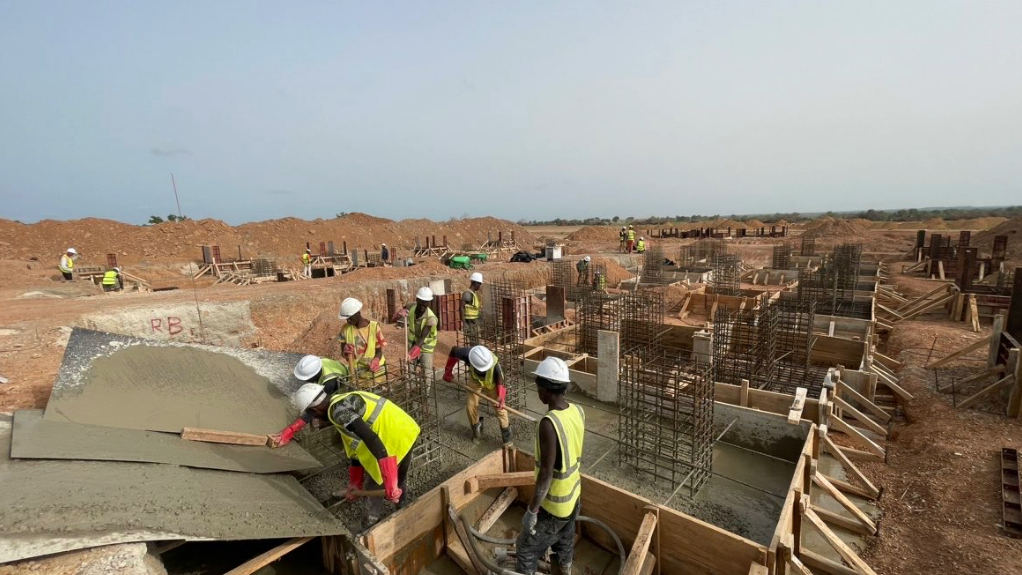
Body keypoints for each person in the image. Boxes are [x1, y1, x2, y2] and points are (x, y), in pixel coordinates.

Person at [287, 381, 420, 525]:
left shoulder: (338, 412)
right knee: (400, 479)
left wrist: (389, 481)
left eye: (314, 417)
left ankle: (371, 522)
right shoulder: (340, 401)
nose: (316, 421)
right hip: (406, 431)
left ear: (315, 411)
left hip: (389, 441)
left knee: (374, 485)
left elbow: (372, 438)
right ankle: (402, 505)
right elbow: (354, 445)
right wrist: (355, 482)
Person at [516, 357, 584, 575]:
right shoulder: (577, 410)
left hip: (555, 506)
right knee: (564, 542)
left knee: (525, 548)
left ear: (546, 389)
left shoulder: (549, 423)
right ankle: (564, 570)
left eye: (538, 385)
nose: (537, 390)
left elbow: (546, 473)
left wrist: (532, 510)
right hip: (574, 498)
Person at [270, 355, 351, 447]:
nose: (306, 381)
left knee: (326, 415)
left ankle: (332, 434)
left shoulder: (329, 383)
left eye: (307, 379)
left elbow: (315, 409)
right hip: (339, 375)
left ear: (314, 375)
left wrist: (292, 429)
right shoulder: (319, 363)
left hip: (342, 391)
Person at [442, 345, 512, 445]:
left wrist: (500, 396)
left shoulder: (495, 365)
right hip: (475, 380)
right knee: (470, 406)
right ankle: (476, 432)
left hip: (491, 383)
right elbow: (454, 350)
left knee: (500, 410)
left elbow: (500, 379)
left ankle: (507, 438)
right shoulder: (467, 354)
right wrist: (448, 371)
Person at [338, 297, 388, 382]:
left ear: (358, 313)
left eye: (350, 317)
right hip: (357, 375)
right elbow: (343, 353)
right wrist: (345, 351)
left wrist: (376, 360)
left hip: (375, 373)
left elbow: (379, 351)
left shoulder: (374, 328)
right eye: (346, 318)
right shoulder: (345, 329)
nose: (348, 320)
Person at [393, 287, 438, 377]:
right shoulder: (411, 307)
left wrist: (411, 354)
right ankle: (411, 389)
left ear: (428, 303)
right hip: (413, 344)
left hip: (426, 348)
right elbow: (394, 319)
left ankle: (426, 391)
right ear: (417, 299)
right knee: (409, 372)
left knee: (427, 374)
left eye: (425, 304)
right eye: (421, 303)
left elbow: (422, 338)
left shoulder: (431, 318)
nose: (422, 306)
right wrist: (399, 313)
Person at [463, 272, 483, 343]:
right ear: (475, 283)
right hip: (469, 322)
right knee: (472, 341)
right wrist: (464, 323)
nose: (479, 286)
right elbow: (461, 308)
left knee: (476, 340)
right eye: (479, 284)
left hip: (474, 321)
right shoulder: (467, 294)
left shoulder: (473, 294)